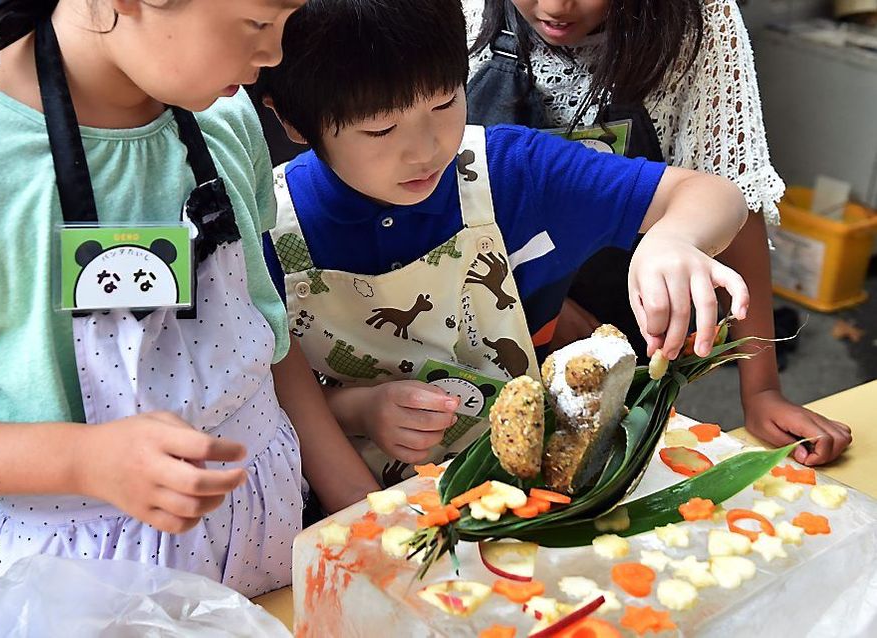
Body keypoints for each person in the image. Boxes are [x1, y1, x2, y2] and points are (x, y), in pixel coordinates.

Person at [0, 0, 378, 600]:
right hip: (87, 578)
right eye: (258, 24)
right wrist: (82, 460)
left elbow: (268, 343)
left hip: (273, 535)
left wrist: (365, 518)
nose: (275, 55)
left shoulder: (226, 117)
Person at [255, 0, 750, 486]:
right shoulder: (270, 229)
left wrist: (674, 237)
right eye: (380, 129)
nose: (426, 151)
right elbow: (263, 400)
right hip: (350, 501)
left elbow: (714, 195)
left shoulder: (513, 171)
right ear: (295, 122)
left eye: (445, 102)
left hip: (527, 492)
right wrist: (358, 410)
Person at [465, 0, 852, 465]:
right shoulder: (460, 16)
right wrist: (539, 303)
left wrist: (763, 389)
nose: (555, 7)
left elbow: (736, 191)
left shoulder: (700, 20)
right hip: (482, 309)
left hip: (632, 319)